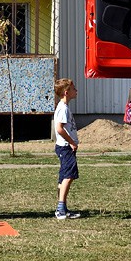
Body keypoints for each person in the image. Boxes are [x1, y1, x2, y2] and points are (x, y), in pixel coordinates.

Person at [53, 78, 81, 220]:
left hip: (64, 147)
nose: (76, 91)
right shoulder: (63, 108)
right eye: (73, 88)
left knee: (64, 177)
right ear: (66, 92)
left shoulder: (63, 107)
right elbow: (59, 129)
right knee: (68, 176)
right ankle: (60, 208)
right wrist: (71, 143)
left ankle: (62, 208)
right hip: (65, 147)